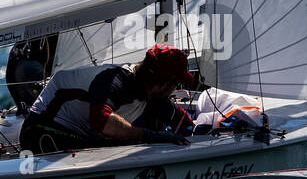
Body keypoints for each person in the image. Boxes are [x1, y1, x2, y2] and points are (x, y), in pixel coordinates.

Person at [19, 44, 194, 155]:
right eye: (176, 83)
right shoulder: (114, 81)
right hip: (44, 127)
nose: (176, 89)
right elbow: (102, 122)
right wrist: (151, 136)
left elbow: (185, 124)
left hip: (83, 135)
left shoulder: (153, 95)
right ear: (163, 83)